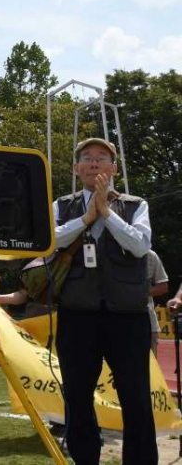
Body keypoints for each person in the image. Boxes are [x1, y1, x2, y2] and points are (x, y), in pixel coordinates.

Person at [53, 138, 155, 465]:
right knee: (78, 397)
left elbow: (140, 245)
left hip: (127, 316)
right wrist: (85, 219)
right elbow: (49, 241)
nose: (94, 163)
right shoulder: (62, 205)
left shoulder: (135, 205)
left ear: (114, 169)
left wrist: (105, 212)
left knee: (136, 399)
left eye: (102, 158)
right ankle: (85, 460)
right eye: (87, 158)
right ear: (76, 169)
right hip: (77, 314)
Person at [146, 250, 169, 351]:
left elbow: (163, 287)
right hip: (113, 319)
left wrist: (137, 293)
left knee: (150, 365)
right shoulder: (106, 251)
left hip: (148, 320)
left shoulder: (150, 255)